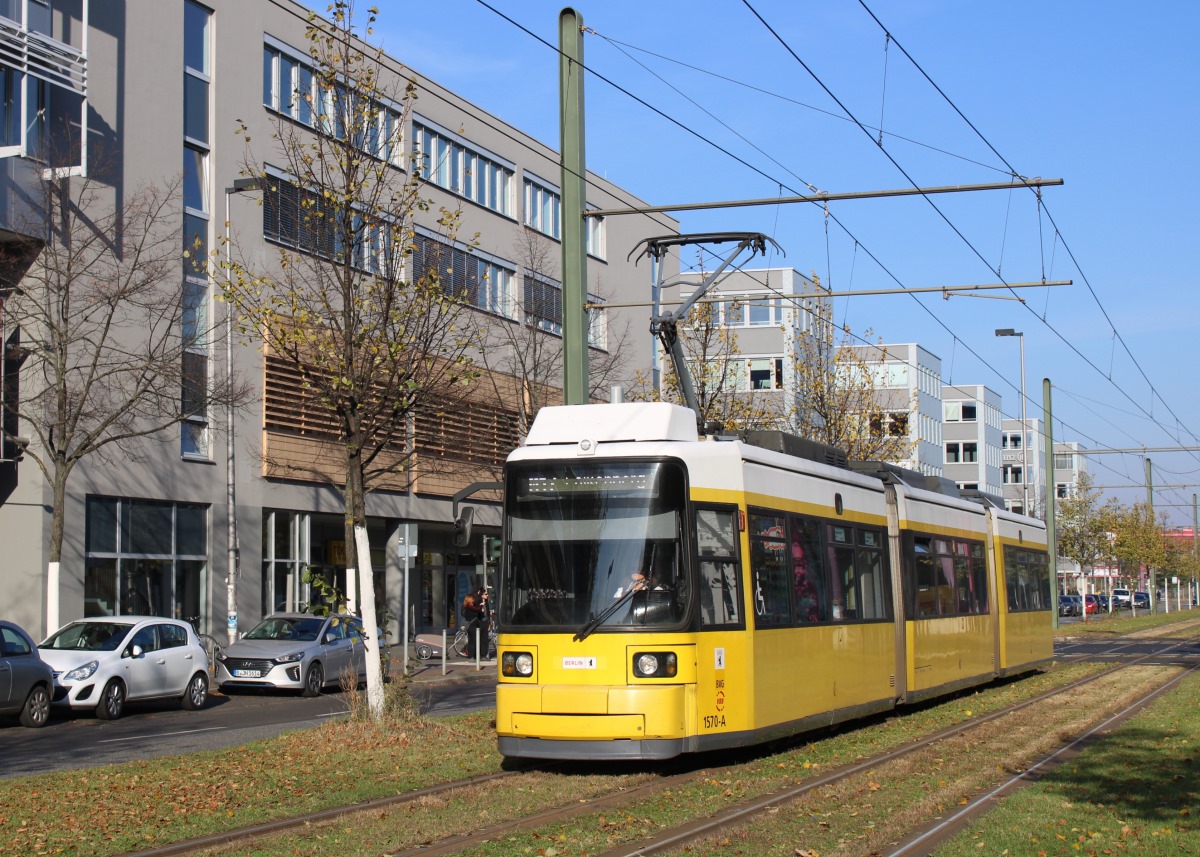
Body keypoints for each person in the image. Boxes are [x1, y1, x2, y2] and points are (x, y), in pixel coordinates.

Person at [462, 586, 488, 658]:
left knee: (473, 640)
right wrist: (481, 605)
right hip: (472, 626)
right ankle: (471, 655)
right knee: (473, 641)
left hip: (473, 625)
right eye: (472, 599)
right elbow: (477, 610)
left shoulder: (469, 606)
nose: (474, 599)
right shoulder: (469, 606)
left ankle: (473, 655)